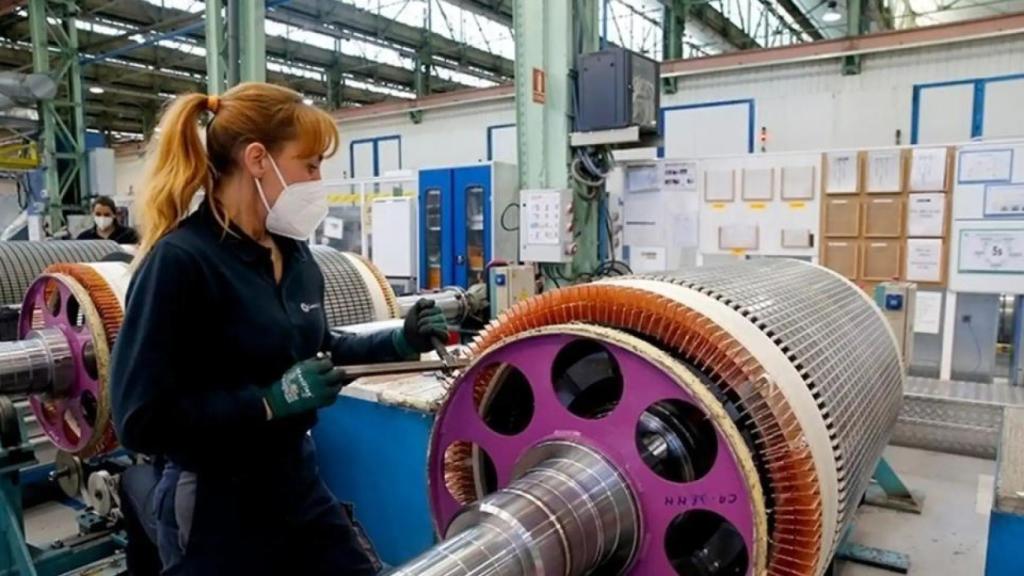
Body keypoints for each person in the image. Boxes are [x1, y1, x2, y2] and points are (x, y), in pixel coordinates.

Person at [109, 82, 448, 576]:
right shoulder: (182, 263)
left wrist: (400, 339)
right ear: (257, 159)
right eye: (310, 164)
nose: (318, 179)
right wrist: (266, 402)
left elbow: (321, 348)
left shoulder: (294, 255)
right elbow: (139, 418)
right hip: (213, 503)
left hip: (295, 481)